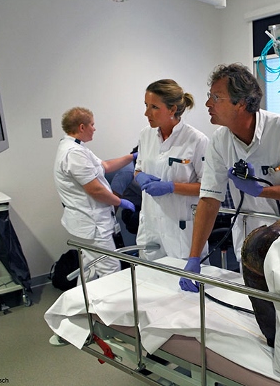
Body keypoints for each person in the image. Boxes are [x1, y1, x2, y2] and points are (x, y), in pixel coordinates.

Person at [179, 63, 280, 292]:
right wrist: (194, 258)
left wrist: (261, 191)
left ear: (241, 103)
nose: (208, 104)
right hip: (250, 244)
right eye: (209, 96)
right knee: (255, 306)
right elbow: (209, 198)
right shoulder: (219, 141)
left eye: (216, 97)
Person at [54, 107, 136, 281]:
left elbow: (105, 166)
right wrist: (120, 202)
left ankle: (83, 299)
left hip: (86, 223)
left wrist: (131, 157)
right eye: (92, 124)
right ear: (82, 127)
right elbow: (95, 190)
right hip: (92, 225)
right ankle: (110, 300)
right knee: (110, 269)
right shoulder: (74, 153)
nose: (94, 128)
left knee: (89, 269)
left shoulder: (77, 147)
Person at [134, 79, 209, 261]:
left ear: (172, 109)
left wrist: (171, 187)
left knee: (183, 277)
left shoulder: (197, 140)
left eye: (154, 107)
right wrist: (140, 176)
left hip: (181, 229)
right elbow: (138, 169)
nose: (146, 113)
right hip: (151, 226)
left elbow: (208, 187)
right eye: (146, 105)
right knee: (149, 276)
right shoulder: (145, 135)